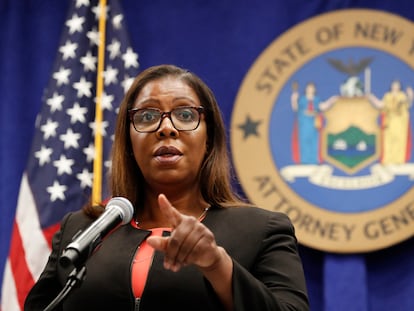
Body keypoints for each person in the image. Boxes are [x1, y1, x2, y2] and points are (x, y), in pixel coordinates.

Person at [24, 64, 309, 311]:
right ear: (129, 143)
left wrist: (216, 265)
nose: (166, 128)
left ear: (209, 138)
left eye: (185, 115)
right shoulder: (82, 229)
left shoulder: (262, 229)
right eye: (147, 116)